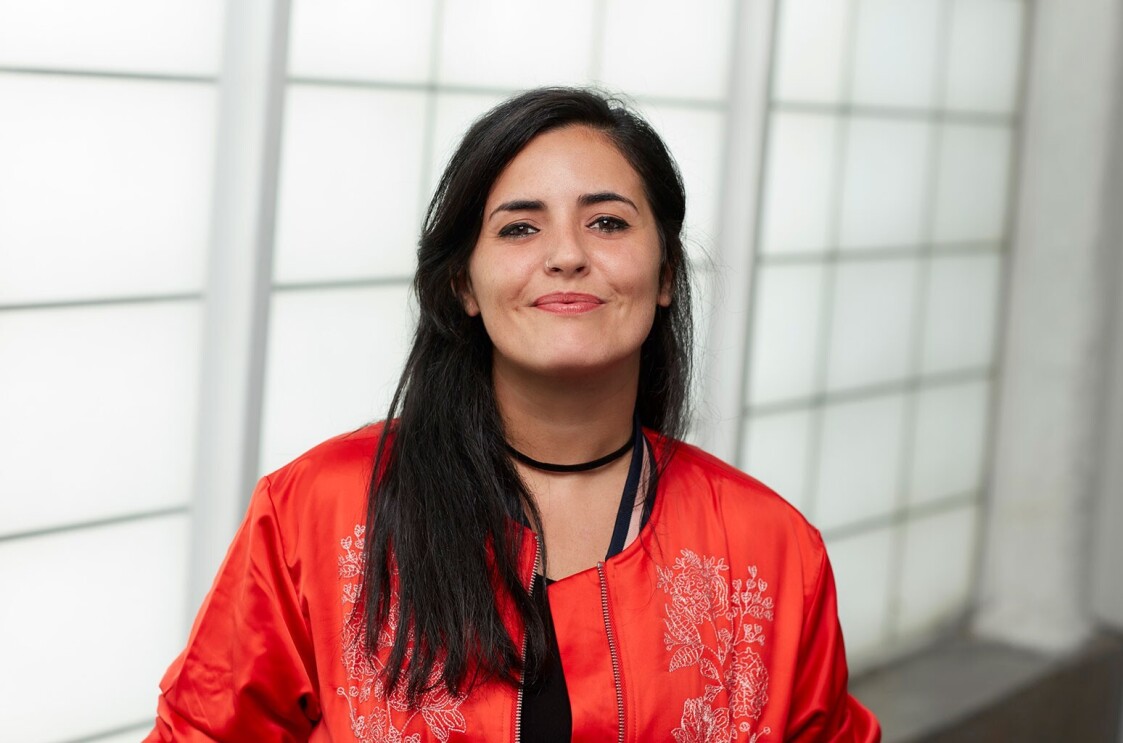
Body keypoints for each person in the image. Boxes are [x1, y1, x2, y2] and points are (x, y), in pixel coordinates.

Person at [146, 87, 880, 742]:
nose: (566, 254)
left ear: (663, 276)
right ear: (464, 283)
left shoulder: (771, 547)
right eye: (520, 228)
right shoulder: (318, 508)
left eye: (607, 222)